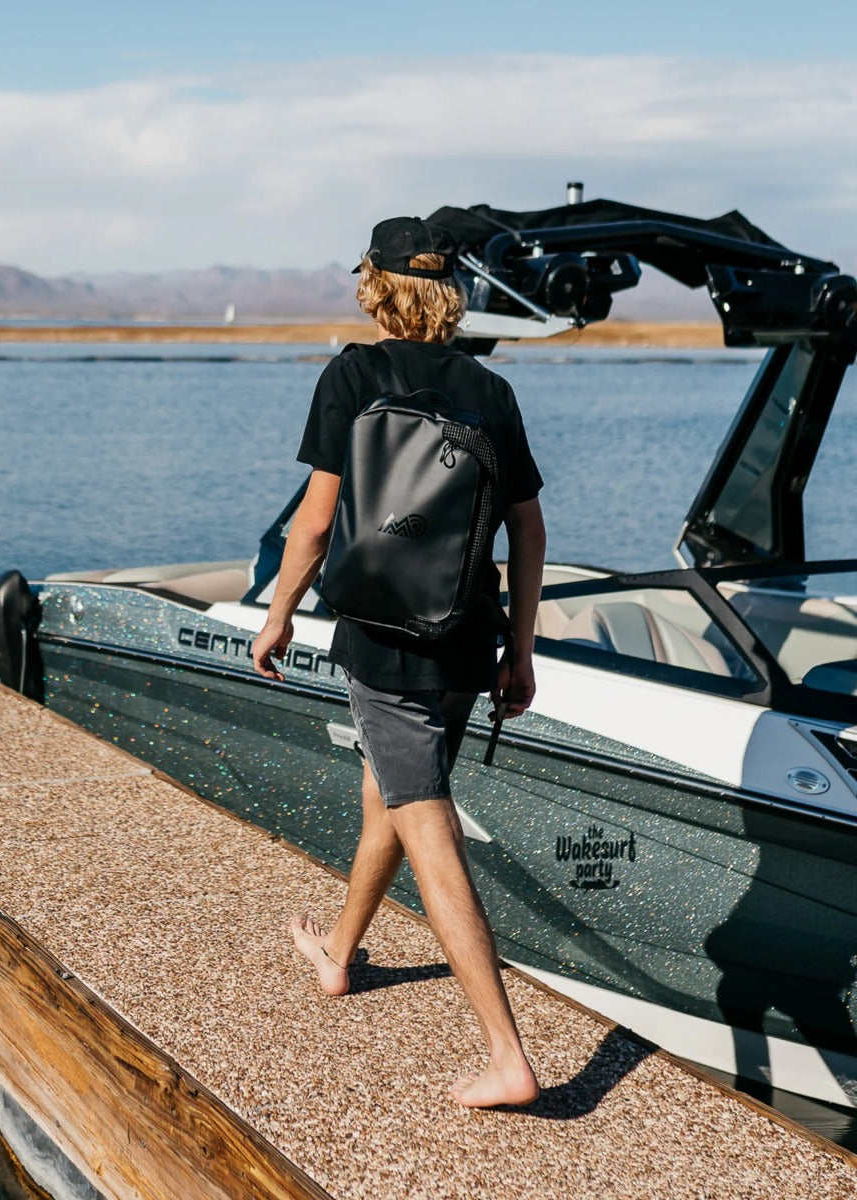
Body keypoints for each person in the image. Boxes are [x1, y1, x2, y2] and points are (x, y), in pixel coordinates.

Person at [251, 216, 546, 1109]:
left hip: (384, 643)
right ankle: (340, 954)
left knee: (427, 825)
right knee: (388, 790)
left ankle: (507, 1056)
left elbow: (314, 523)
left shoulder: (352, 376)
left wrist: (278, 616)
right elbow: (528, 530)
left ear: (374, 286)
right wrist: (520, 647)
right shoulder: (490, 389)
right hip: (467, 635)